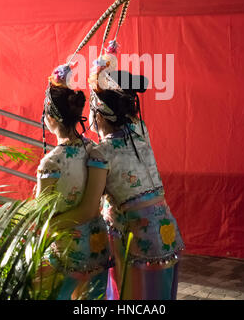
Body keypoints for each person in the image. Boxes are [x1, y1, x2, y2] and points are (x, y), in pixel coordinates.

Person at [88, 68, 185, 300]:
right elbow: (128, 114)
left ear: (99, 115)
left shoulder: (101, 153)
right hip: (166, 233)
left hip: (136, 241)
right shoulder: (141, 131)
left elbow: (90, 205)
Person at [35, 64, 111, 300]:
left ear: (49, 118)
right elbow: (91, 207)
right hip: (98, 244)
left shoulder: (51, 163)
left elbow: (42, 216)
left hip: (68, 247)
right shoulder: (95, 151)